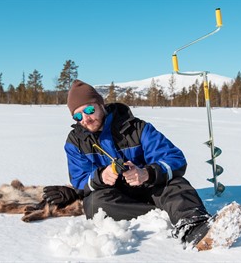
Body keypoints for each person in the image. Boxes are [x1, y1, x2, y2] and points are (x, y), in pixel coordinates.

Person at [42, 80, 231, 251]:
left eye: (89, 110)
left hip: (149, 187)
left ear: (101, 105)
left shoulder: (137, 128)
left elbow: (175, 158)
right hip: (115, 196)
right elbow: (79, 180)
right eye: (78, 116)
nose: (86, 118)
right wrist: (100, 176)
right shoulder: (75, 141)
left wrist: (147, 172)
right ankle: (164, 214)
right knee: (94, 204)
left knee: (175, 185)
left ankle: (196, 228)